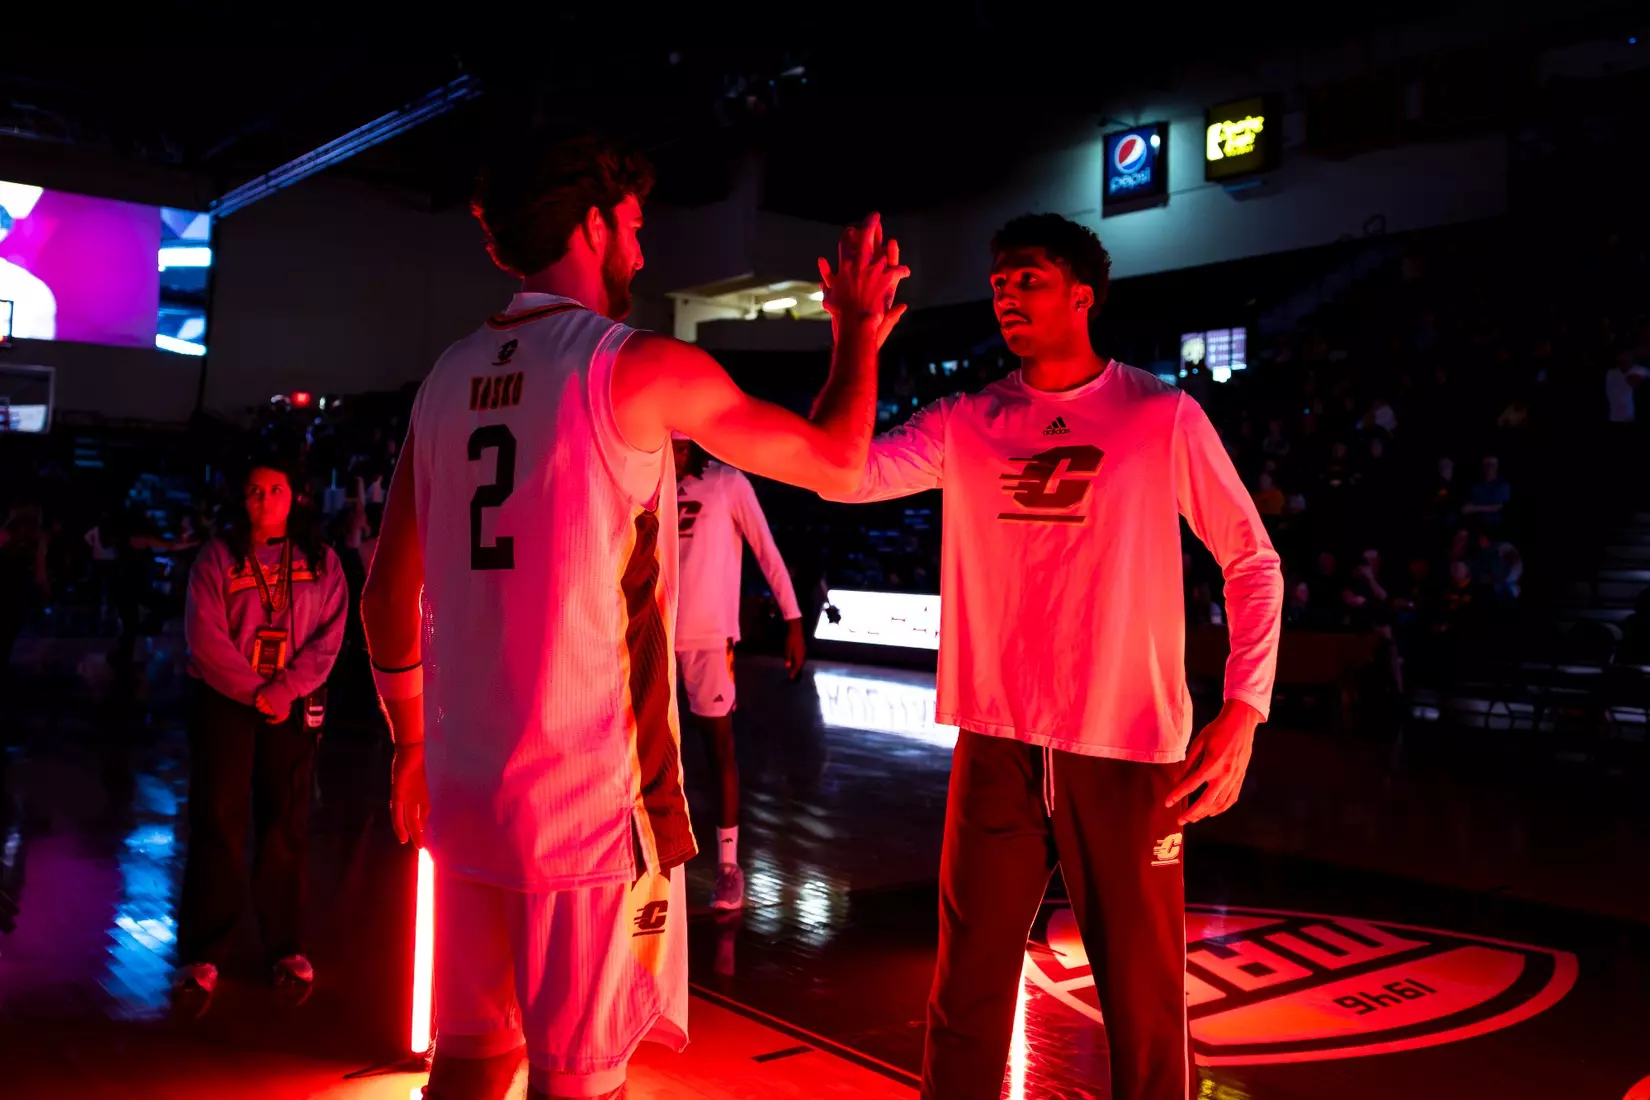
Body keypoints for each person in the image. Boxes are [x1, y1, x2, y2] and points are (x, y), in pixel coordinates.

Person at [359, 132, 906, 1100]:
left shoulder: (443, 379)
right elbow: (839, 457)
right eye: (636, 228)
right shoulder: (633, 366)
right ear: (592, 221)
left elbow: (384, 593)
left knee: (469, 1064)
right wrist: (857, 333)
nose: (643, 254)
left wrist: (408, 744)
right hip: (587, 809)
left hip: (467, 791)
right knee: (581, 1080)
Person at [819, 213, 1282, 1100]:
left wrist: (1244, 710)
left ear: (1083, 294)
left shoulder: (1157, 413)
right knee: (965, 993)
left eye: (1027, 279)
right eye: (998, 283)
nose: (1006, 295)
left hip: (1129, 747)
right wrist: (857, 337)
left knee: (1144, 1013)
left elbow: (1253, 559)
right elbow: (843, 475)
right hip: (996, 742)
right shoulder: (970, 418)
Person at [173, 456, 346, 1015]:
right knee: (217, 822)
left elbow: (330, 635)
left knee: (284, 823)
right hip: (228, 704)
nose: (264, 500)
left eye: (275, 489)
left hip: (290, 706)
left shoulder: (322, 562)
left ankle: (284, 947)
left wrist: (287, 689)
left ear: (295, 496)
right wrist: (254, 691)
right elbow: (205, 637)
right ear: (240, 498)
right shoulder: (216, 558)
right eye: (253, 490)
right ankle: (203, 952)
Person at [671, 434, 805, 910]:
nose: (674, 455)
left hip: (709, 639)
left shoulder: (727, 483)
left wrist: (792, 619)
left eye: (682, 447)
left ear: (699, 445)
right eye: (668, 446)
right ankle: (649, 860)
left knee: (718, 751)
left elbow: (766, 550)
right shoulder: (650, 483)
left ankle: (729, 868)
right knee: (648, 756)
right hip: (654, 639)